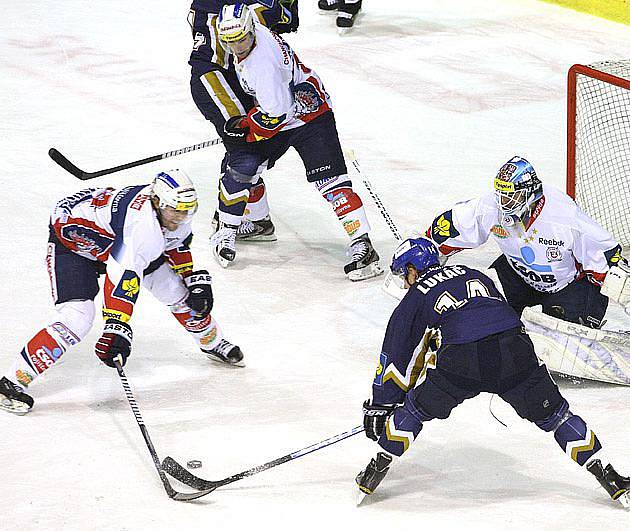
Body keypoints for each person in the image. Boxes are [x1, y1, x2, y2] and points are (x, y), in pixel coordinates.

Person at [355, 238, 630, 509]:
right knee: (556, 416)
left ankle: (375, 470)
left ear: (413, 271)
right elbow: (494, 313)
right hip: (514, 350)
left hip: (463, 361)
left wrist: (382, 404)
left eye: (405, 275)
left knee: (415, 411)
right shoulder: (473, 272)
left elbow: (397, 354)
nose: (406, 282)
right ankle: (609, 475)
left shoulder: (416, 295)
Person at [0, 170, 243, 416]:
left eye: (187, 210)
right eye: (176, 210)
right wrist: (116, 326)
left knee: (178, 293)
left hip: (115, 238)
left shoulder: (173, 210)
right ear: (157, 202)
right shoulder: (141, 226)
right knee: (78, 317)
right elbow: (122, 277)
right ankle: (10, 382)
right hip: (75, 243)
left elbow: (175, 244)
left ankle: (211, 342)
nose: (181, 216)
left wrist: (191, 278)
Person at [209, 3, 382, 280]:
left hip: (309, 116)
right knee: (241, 166)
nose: (238, 47)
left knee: (332, 183)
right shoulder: (255, 35)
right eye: (230, 42)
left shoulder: (260, 65)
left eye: (241, 39)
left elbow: (274, 116)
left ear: (251, 30)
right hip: (294, 104)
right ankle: (234, 230)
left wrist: (247, 129)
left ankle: (362, 245)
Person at [426, 155, 630, 328]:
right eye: (502, 196)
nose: (504, 204)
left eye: (512, 198)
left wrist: (629, 287)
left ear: (531, 193)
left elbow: (603, 258)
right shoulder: (491, 207)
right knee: (483, 304)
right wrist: (425, 250)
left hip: (571, 286)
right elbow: (454, 224)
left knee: (567, 330)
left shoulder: (564, 218)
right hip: (517, 275)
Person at [188, 0, 300, 246]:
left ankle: (254, 218)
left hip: (241, 73)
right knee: (245, 150)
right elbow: (288, 19)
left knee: (252, 149)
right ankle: (244, 218)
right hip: (215, 75)